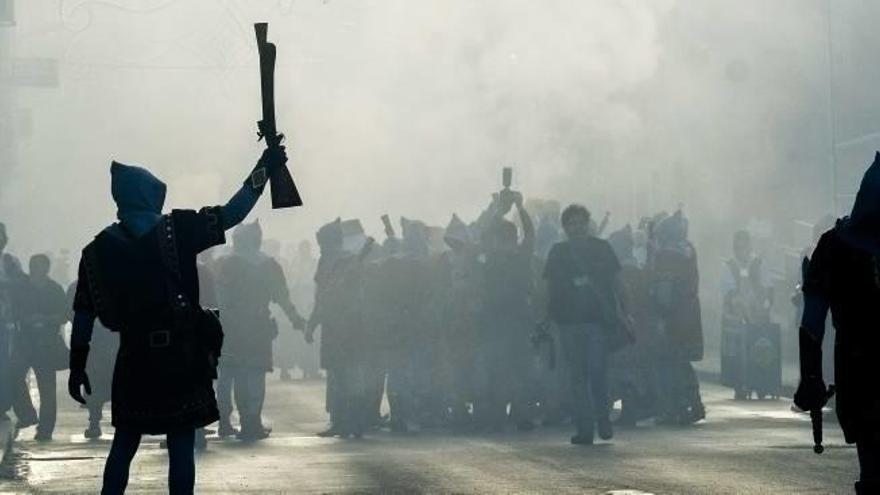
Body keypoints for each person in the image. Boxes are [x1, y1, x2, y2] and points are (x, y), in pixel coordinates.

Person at [68, 147, 289, 494]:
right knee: (182, 447)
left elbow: (84, 314)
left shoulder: (96, 250)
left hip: (133, 358)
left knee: (124, 445)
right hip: (180, 356)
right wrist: (265, 168)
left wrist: (77, 366)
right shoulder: (179, 228)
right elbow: (233, 212)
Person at [796, 153, 880, 494]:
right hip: (860, 373)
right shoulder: (833, 245)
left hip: (859, 371)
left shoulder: (833, 246)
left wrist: (811, 377)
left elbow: (812, 324)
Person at [543, 204, 629, 445]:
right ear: (565, 228)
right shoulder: (557, 253)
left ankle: (603, 419)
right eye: (572, 223)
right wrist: (545, 317)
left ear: (588, 224)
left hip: (597, 323)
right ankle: (585, 428)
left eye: (581, 222)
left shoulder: (602, 249)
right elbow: (548, 288)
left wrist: (626, 311)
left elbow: (618, 282)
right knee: (577, 377)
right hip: (568, 324)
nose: (577, 227)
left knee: (597, 373)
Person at [214, 221, 306, 441]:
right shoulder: (267, 265)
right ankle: (251, 421)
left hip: (227, 329)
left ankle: (224, 420)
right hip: (256, 329)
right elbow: (282, 297)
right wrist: (295, 319)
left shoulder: (222, 264)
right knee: (253, 375)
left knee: (227, 375)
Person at [477, 191, 537, 432]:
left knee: (517, 368)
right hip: (498, 319)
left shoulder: (515, 257)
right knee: (499, 367)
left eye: (506, 238)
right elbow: (486, 234)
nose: (502, 243)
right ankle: (501, 413)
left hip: (515, 319)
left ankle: (516, 412)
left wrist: (517, 209)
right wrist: (505, 209)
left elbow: (530, 234)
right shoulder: (490, 258)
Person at [649, 210, 705, 425]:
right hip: (690, 311)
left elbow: (664, 289)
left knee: (665, 361)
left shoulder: (667, 254)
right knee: (682, 361)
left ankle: (672, 407)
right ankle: (694, 402)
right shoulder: (688, 249)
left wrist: (661, 315)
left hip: (672, 314)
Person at [10, 254, 68, 441]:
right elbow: (14, 310)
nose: (37, 269)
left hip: (47, 343)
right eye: (34, 266)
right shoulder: (21, 288)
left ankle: (45, 429)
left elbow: (64, 315)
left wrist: (45, 319)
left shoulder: (55, 289)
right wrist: (26, 319)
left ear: (47, 268)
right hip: (25, 340)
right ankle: (27, 414)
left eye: (40, 266)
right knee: (14, 375)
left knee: (47, 388)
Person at [66, 280, 118, 440]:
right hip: (94, 340)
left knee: (113, 381)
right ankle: (94, 421)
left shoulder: (114, 283)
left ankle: (103, 422)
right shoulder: (77, 287)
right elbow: (69, 311)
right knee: (94, 382)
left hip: (110, 338)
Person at [0, 223, 23, 423]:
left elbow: (22, 286)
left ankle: (3, 404)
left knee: (5, 365)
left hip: (7, 322)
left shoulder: (10, 262)